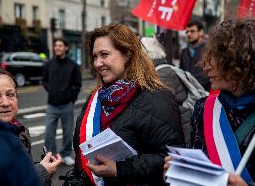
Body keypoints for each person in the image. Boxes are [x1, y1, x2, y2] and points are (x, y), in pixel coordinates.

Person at [71, 24, 184, 186]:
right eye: (95, 56)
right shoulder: (96, 97)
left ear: (128, 54)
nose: (97, 63)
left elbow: (170, 157)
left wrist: (119, 169)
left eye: (104, 55)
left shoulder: (157, 97)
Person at [165, 19, 255, 185]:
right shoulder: (203, 108)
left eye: (217, 57)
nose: (205, 67)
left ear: (241, 62)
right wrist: (181, 175)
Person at [0, 68, 62, 186]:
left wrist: (38, 167)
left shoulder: (16, 130)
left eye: (10, 94)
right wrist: (43, 171)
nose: (5, 103)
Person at [140, 37, 191, 147]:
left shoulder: (161, 75)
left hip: (180, 131)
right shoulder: (160, 71)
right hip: (180, 128)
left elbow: (163, 111)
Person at [43, 38, 82, 166]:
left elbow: (77, 84)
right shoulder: (49, 64)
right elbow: (44, 81)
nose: (57, 48)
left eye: (60, 45)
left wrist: (71, 98)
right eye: (55, 45)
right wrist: (52, 91)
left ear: (66, 47)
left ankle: (65, 155)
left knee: (67, 132)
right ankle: (51, 155)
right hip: (52, 104)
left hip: (67, 105)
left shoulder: (73, 65)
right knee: (49, 132)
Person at [179, 19, 211, 91]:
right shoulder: (184, 52)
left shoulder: (209, 50)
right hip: (188, 95)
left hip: (204, 93)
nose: (189, 34)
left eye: (192, 31)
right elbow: (181, 73)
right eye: (187, 31)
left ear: (200, 32)